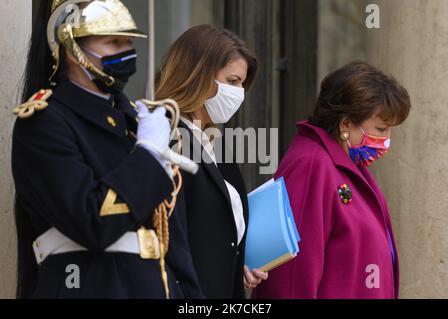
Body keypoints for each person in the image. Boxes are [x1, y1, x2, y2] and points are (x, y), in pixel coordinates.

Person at [12, 0, 202, 299]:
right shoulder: (45, 122)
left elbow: (171, 242)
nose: (126, 51)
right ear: (73, 48)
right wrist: (148, 156)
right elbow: (92, 221)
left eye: (128, 41)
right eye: (113, 42)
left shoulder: (134, 123)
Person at [252, 61, 411, 299]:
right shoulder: (312, 163)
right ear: (346, 123)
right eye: (380, 129)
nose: (387, 140)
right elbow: (294, 275)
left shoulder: (347, 164)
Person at [156, 25, 268, 298]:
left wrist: (236, 262)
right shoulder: (166, 135)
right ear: (199, 75)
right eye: (232, 81)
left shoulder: (213, 143)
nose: (239, 92)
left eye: (242, 83)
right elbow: (169, 241)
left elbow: (213, 233)